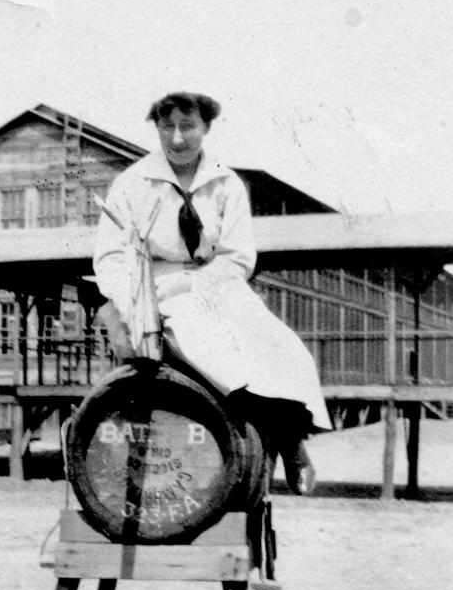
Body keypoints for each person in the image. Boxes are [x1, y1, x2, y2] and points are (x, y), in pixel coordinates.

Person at [93, 91, 331, 493]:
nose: (177, 138)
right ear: (157, 128)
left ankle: (292, 441)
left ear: (205, 128)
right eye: (167, 126)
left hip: (218, 285)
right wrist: (132, 298)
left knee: (282, 347)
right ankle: (272, 440)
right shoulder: (132, 183)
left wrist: (202, 284)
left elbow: (238, 255)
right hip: (154, 291)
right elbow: (109, 256)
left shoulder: (226, 183)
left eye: (188, 127)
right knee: (214, 355)